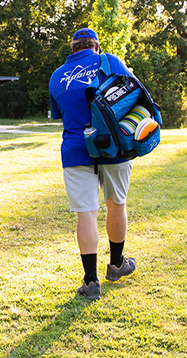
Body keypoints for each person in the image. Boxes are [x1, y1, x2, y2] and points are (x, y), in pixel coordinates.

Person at [48, 27, 137, 301]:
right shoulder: (110, 61)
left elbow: (60, 114)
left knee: (86, 213)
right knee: (116, 204)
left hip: (76, 149)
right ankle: (117, 264)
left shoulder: (56, 76)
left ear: (73, 47)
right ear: (96, 46)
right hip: (113, 145)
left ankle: (91, 281)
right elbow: (134, 94)